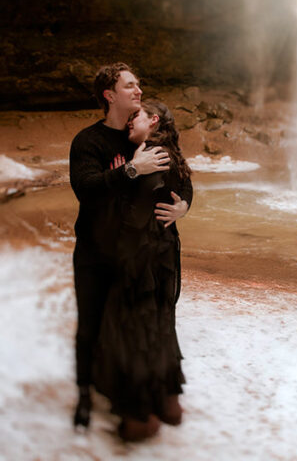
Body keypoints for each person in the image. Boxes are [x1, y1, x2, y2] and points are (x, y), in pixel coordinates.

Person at [69, 63, 182, 429]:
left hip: (135, 256)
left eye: (138, 84)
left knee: (134, 327)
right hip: (96, 253)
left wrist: (183, 206)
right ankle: (85, 395)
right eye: (130, 86)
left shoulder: (142, 133)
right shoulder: (89, 141)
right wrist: (133, 169)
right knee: (91, 326)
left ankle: (137, 396)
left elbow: (177, 174)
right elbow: (86, 189)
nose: (138, 90)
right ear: (109, 94)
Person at [90, 99, 192, 441]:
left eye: (136, 117)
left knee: (134, 330)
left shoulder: (149, 156)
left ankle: (139, 417)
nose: (129, 122)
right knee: (159, 325)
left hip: (140, 259)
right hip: (162, 257)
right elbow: (183, 189)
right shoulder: (170, 152)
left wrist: (129, 172)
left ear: (154, 119)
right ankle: (168, 404)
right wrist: (184, 206)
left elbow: (133, 218)